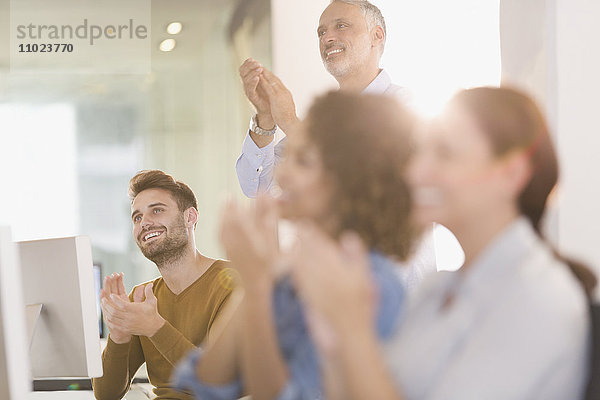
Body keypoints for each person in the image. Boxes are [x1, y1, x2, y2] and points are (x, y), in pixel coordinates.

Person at [290, 86, 596, 400]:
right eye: (420, 152)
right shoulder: (437, 286)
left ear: (511, 173)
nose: (414, 172)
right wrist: (337, 344)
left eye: (444, 153)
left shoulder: (538, 298)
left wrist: (352, 330)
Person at [173, 91, 419, 399]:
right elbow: (203, 384)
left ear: (349, 178)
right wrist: (255, 283)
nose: (283, 174)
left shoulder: (374, 285)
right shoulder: (292, 271)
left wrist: (258, 287)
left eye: (302, 161)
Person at [236, 0, 407, 198]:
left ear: (376, 36)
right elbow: (257, 187)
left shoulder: (404, 107)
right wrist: (265, 117)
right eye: (321, 32)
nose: (327, 38)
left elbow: (366, 183)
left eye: (341, 26)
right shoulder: (320, 123)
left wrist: (291, 123)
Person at [92, 170, 233, 400]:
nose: (145, 223)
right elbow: (106, 395)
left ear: (190, 217)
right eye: (137, 217)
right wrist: (118, 335)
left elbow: (217, 381)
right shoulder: (142, 298)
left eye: (157, 210)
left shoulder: (231, 283)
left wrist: (155, 327)